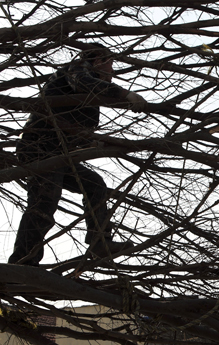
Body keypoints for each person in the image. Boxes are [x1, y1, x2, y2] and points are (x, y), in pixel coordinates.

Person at [9, 44, 146, 266]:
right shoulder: (76, 71)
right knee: (44, 202)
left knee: (94, 185)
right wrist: (124, 94)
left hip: (59, 152)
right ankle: (22, 262)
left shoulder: (85, 95)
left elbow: (75, 129)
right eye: (110, 65)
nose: (112, 72)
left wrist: (97, 141)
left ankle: (99, 241)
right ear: (98, 60)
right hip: (40, 147)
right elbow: (85, 83)